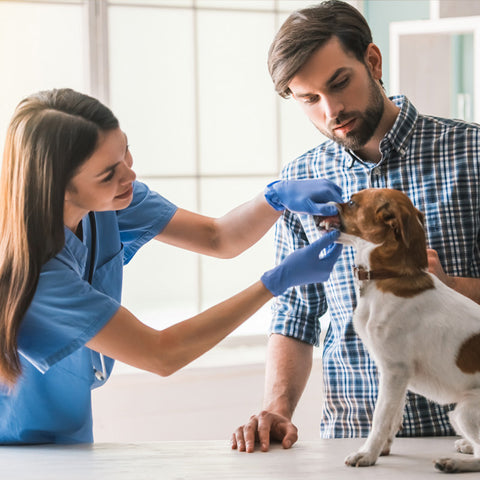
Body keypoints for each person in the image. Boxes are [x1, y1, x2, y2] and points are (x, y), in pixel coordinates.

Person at [0, 88, 344, 444]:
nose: (128, 175)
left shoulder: (109, 202)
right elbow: (161, 353)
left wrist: (274, 198)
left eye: (125, 152)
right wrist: (274, 283)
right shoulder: (36, 273)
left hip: (70, 434)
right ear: (59, 187)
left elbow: (217, 237)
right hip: (16, 448)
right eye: (107, 173)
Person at [232, 0, 480, 453]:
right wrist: (277, 409)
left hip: (462, 436)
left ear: (372, 61)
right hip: (349, 440)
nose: (331, 111)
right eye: (309, 99)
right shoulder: (300, 185)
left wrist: (447, 285)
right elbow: (295, 315)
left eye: (339, 83)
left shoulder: (473, 154)